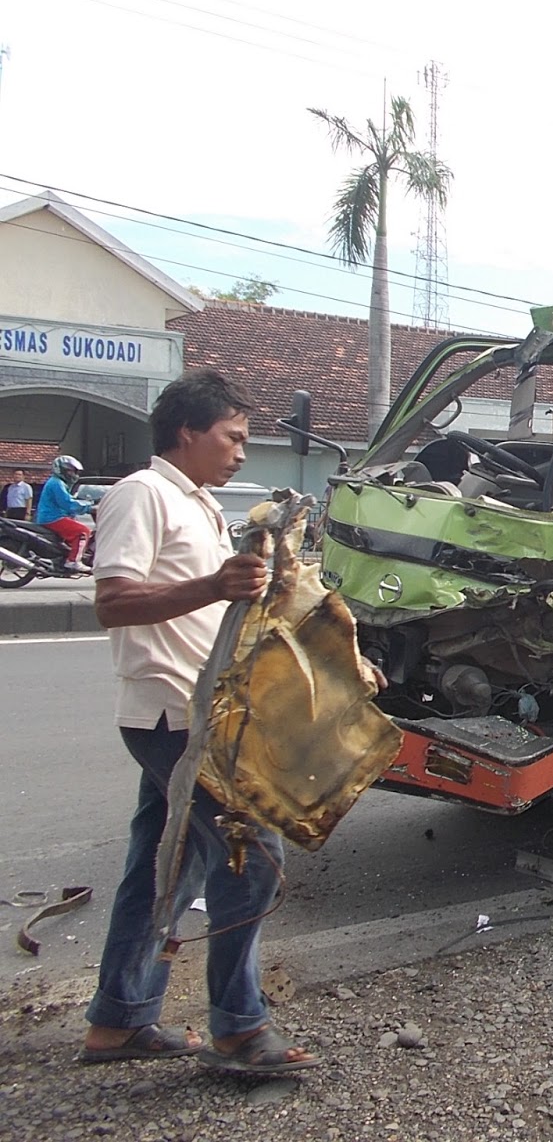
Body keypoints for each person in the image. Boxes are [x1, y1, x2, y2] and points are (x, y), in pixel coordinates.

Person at [81, 369, 320, 1074]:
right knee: (255, 856)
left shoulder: (204, 506)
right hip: (172, 716)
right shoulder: (142, 495)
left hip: (202, 712)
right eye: (233, 437)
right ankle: (240, 1032)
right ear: (187, 431)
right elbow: (114, 601)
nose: (242, 452)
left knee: (164, 868)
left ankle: (119, 1022)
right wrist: (212, 585)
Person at [36, 455, 94, 570]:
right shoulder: (56, 483)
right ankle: (73, 561)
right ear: (61, 470)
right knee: (83, 531)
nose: (72, 474)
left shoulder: (59, 483)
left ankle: (65, 557)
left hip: (54, 516)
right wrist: (89, 507)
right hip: (53, 517)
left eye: (74, 471)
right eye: (69, 471)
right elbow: (67, 503)